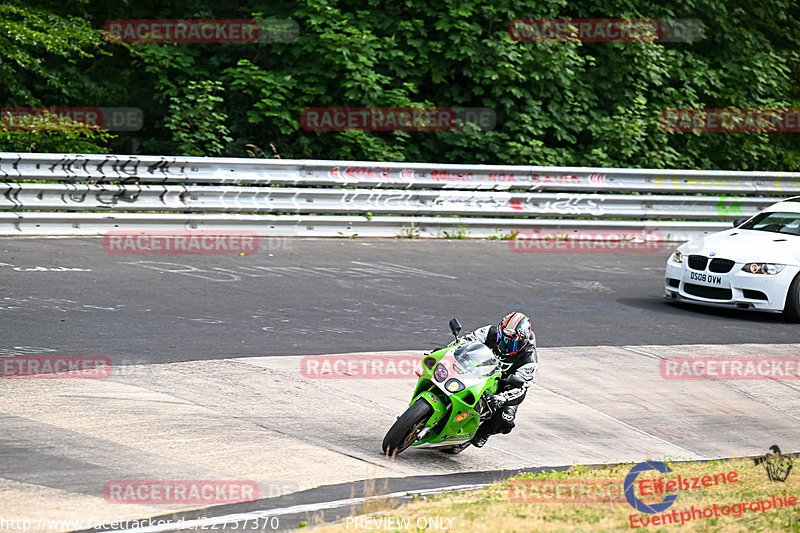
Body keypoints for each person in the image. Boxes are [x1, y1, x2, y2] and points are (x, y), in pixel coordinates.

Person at [458, 312, 538, 448]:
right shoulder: (489, 331)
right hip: (476, 370)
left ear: (523, 342)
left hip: (504, 385)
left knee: (506, 419)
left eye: (512, 343)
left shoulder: (529, 360)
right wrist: (446, 350)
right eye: (503, 339)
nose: (506, 345)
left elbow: (521, 388)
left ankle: (483, 432)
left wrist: (502, 398)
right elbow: (464, 342)